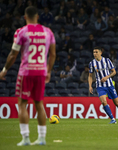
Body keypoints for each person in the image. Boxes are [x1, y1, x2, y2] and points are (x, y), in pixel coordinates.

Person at [0, 6, 56, 146]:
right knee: (39, 104)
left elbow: (13, 54)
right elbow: (53, 54)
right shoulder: (48, 32)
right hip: (41, 72)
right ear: (38, 17)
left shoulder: (22, 32)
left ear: (25, 17)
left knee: (22, 104)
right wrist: (48, 71)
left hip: (26, 71)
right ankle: (42, 138)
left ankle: (25, 138)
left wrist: (5, 69)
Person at [88, 47, 118, 124]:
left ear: (100, 53)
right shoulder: (92, 63)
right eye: (93, 52)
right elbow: (90, 75)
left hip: (109, 85)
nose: (95, 54)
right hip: (100, 86)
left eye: (96, 52)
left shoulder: (107, 60)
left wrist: (107, 77)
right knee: (103, 102)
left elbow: (114, 72)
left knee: (117, 103)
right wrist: (90, 86)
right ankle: (113, 119)